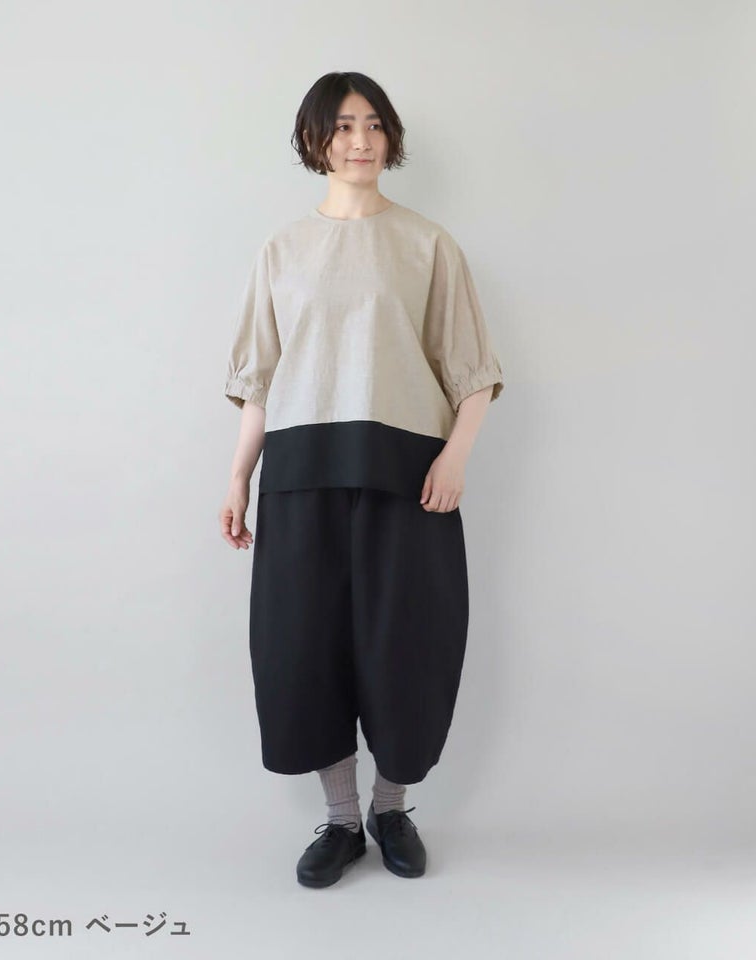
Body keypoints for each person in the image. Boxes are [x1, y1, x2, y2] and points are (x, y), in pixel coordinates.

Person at [219, 71, 504, 888]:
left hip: (405, 475)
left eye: (374, 124)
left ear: (391, 138)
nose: (360, 140)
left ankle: (391, 809)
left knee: (408, 642)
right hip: (300, 473)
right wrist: (237, 478)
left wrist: (455, 456)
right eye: (343, 126)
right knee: (302, 646)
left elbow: (472, 371)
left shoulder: (427, 245)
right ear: (315, 140)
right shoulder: (282, 250)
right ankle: (342, 821)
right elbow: (260, 382)